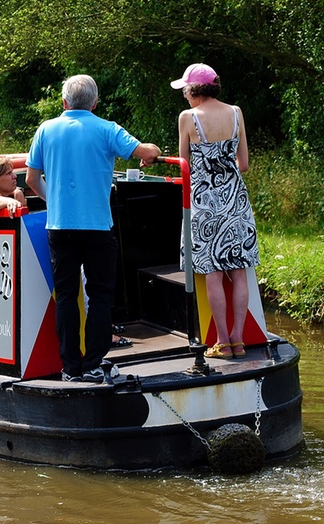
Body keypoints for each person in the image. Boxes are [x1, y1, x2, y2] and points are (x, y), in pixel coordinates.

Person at [26, 74, 160, 382]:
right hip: (98, 228)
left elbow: (32, 180)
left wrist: (55, 201)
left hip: (60, 227)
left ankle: (70, 368)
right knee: (100, 295)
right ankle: (93, 364)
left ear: (63, 102)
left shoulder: (45, 130)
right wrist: (150, 150)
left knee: (66, 295)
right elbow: (147, 153)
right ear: (95, 103)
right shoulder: (107, 129)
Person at [171, 63, 259, 360]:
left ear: (194, 89)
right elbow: (243, 163)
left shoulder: (189, 118)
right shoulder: (236, 112)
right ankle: (238, 339)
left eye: (185, 89)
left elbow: (186, 167)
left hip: (206, 203)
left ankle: (221, 341)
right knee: (240, 271)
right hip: (236, 200)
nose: (184, 95)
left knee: (212, 273)